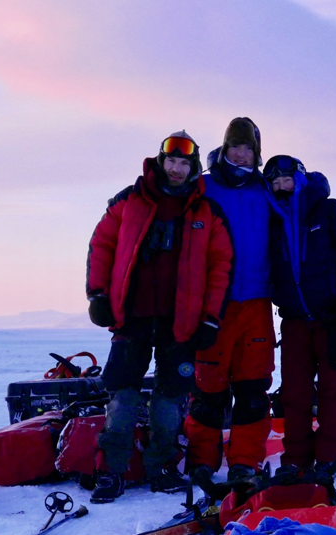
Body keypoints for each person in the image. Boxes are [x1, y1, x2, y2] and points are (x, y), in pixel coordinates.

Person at [85, 131, 233, 503]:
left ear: (194, 167)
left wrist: (210, 318)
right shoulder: (128, 201)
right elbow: (102, 245)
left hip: (179, 323)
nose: (177, 168)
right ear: (160, 161)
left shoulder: (207, 212)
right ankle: (110, 471)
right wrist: (97, 294)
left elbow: (221, 267)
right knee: (122, 396)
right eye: (172, 161)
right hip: (132, 317)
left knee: (170, 399)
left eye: (185, 163)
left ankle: (162, 467)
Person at [263, 155, 336, 477]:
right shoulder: (271, 220)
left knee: (331, 390)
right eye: (275, 182)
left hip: (334, 317)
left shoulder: (329, 210)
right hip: (294, 320)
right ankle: (296, 460)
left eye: (287, 179)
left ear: (300, 179)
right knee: (294, 392)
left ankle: (330, 457)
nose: (282, 187)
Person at [184, 117, 275, 483]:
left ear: (256, 154)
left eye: (248, 149)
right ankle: (201, 462)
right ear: (223, 149)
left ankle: (244, 463)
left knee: (253, 390)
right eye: (235, 147)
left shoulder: (266, 190)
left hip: (257, 302)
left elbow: (300, 201)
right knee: (208, 390)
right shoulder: (201, 187)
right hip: (213, 305)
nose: (241, 154)